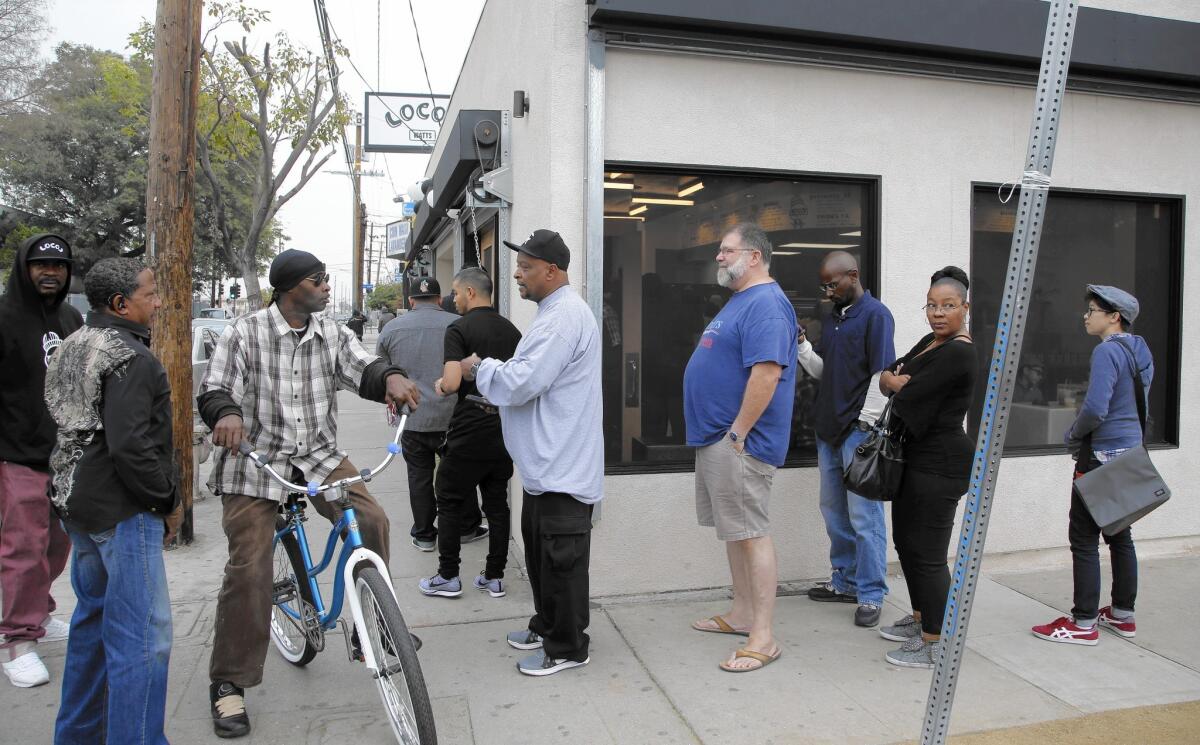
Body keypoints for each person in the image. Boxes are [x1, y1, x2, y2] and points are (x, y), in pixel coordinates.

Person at [197, 249, 420, 738]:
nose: (325, 286)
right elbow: (215, 388)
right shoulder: (245, 332)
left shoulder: (332, 332)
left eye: (324, 278)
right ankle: (229, 682)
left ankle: (373, 625)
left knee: (372, 520)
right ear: (290, 287)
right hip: (256, 461)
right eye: (318, 280)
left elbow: (364, 367)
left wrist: (392, 380)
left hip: (318, 456)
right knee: (250, 568)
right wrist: (225, 414)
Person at [456, 229, 603, 677]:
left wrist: (479, 368)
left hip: (561, 467)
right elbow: (531, 381)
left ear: (552, 271)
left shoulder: (562, 318)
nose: (517, 274)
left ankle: (567, 647)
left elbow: (522, 380)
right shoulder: (551, 314)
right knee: (543, 560)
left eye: (526, 267)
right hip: (545, 466)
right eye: (518, 265)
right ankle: (547, 625)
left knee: (561, 564)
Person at [45, 257, 178, 743]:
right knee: (143, 640)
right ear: (121, 304)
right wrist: (166, 500)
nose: (159, 302)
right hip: (122, 512)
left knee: (92, 626)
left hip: (77, 506)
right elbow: (132, 447)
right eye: (150, 294)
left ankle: (77, 735)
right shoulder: (132, 358)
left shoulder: (73, 344)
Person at [683, 223, 796, 673]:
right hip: (721, 440)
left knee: (752, 533)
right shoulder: (741, 301)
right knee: (736, 532)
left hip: (741, 445)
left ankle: (763, 637)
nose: (718, 257)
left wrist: (738, 433)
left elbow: (767, 373)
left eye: (726, 250)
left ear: (754, 256)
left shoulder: (767, 303)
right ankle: (742, 614)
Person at [1032, 285, 1152, 646]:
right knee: (1119, 535)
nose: (1086, 316)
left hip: (1100, 456)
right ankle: (1122, 615)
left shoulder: (1106, 353)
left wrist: (1072, 434)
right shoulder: (1140, 349)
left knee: (1083, 539)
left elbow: (1097, 408)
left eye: (1093, 310)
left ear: (1114, 317)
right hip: (1129, 452)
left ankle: (1083, 623)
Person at [876, 266, 977, 668]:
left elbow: (908, 394)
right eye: (932, 306)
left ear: (964, 308)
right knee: (906, 542)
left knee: (929, 554)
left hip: (942, 463)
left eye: (948, 306)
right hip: (914, 459)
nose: (938, 314)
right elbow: (890, 375)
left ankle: (938, 640)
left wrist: (897, 382)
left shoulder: (959, 351)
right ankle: (921, 619)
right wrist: (894, 380)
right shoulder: (932, 343)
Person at [797, 250, 896, 627]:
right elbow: (823, 370)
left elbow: (882, 374)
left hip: (858, 433)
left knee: (865, 516)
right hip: (828, 430)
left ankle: (871, 593)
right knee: (835, 512)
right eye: (823, 285)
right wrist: (803, 345)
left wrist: (865, 425)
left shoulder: (876, 316)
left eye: (832, 283)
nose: (827, 291)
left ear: (852, 275)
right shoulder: (833, 316)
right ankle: (845, 581)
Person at [0, 234, 81, 688]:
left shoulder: (70, 318)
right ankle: (17, 639)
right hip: (16, 455)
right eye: (41, 266)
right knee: (23, 549)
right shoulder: (4, 316)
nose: (51, 273)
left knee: (56, 545)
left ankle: (40, 612)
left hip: (65, 457)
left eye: (59, 266)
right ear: (24, 268)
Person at [420, 267, 521, 598]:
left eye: (456, 292)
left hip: (469, 428)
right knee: (496, 502)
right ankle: (494, 576)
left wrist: (440, 384)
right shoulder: (512, 331)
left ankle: (448, 575)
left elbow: (450, 384)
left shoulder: (458, 329)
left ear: (471, 293)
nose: (453, 298)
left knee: (447, 496)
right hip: (503, 429)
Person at [377, 275, 484, 552]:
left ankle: (425, 534)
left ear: (411, 301)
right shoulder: (458, 324)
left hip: (412, 417)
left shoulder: (391, 329)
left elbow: (382, 372)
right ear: (440, 300)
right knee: (459, 472)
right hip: (452, 416)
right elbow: (473, 369)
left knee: (419, 476)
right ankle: (466, 527)